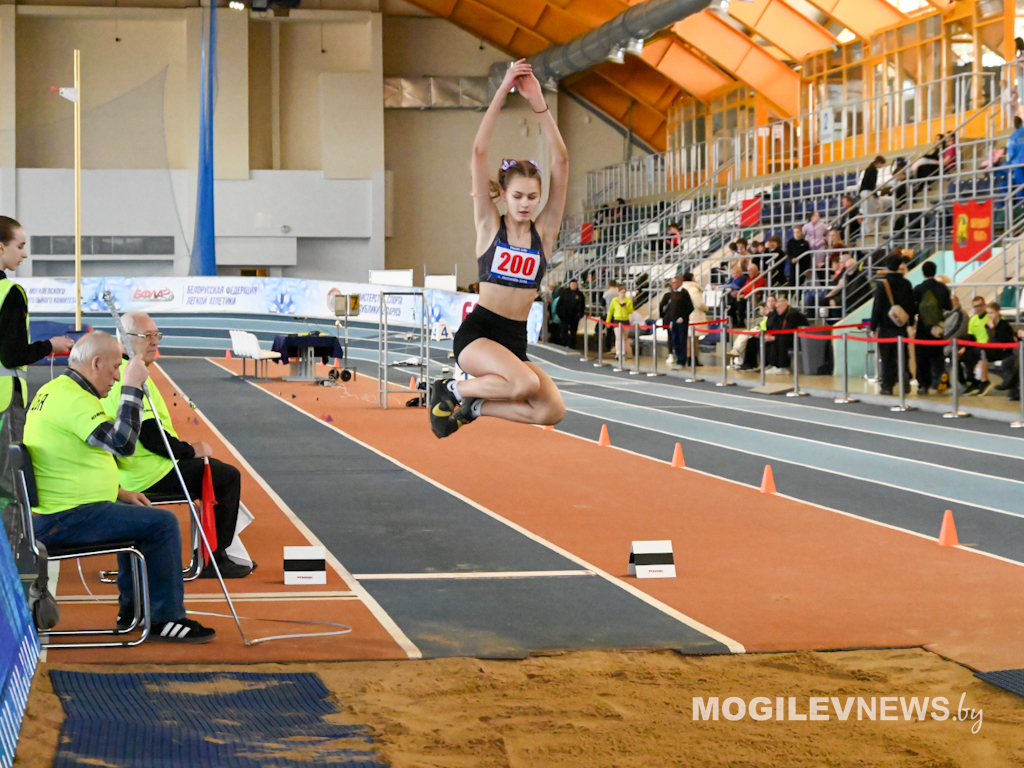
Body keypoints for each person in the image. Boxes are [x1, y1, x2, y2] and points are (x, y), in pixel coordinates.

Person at [23, 332, 216, 642]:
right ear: (96, 363)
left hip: (60, 511)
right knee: (163, 524)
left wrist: (118, 492)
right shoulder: (73, 399)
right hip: (67, 517)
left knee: (133, 513)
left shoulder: (56, 390)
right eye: (114, 368)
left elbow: (64, 457)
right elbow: (123, 444)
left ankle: (133, 610)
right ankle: (167, 619)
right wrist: (132, 387)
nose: (116, 376)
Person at [429, 59, 568, 438]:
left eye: (533, 197)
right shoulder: (491, 225)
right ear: (503, 195)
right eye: (518, 195)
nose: (525, 203)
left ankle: (474, 407)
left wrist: (539, 103)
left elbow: (561, 161)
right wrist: (503, 89)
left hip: (514, 338)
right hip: (479, 335)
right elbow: (478, 152)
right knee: (523, 385)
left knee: (551, 409)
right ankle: (452, 388)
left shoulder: (545, 233)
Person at [101, 312, 253, 578]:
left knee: (214, 472)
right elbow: (150, 436)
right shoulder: (130, 375)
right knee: (227, 477)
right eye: (147, 336)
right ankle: (212, 559)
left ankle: (213, 553)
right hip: (148, 473)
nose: (155, 341)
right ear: (124, 341)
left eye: (156, 335)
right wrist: (191, 450)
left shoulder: (120, 372)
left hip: (136, 470)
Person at [0, 217, 76, 573]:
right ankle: (13, 562)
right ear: (0, 247)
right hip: (3, 403)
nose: (25, 254)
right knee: (10, 486)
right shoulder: (9, 293)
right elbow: (12, 356)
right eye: (19, 246)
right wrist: (51, 345)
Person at [870, 253, 917, 395]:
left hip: (885, 326)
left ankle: (887, 385)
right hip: (901, 325)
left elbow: (877, 307)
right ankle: (905, 381)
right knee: (902, 356)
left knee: (887, 357)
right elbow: (911, 306)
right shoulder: (906, 283)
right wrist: (911, 323)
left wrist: (873, 326)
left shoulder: (882, 284)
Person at [911, 261, 952, 396]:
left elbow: (913, 309)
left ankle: (923, 384)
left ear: (923, 273)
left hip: (923, 328)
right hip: (937, 328)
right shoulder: (942, 288)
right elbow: (949, 306)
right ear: (935, 271)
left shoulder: (918, 289)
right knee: (937, 355)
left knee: (921, 357)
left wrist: (912, 322)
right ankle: (940, 380)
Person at [764, 295, 807, 374]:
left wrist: (774, 338)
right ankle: (773, 365)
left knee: (780, 341)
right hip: (786, 335)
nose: (776, 310)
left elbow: (788, 331)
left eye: (778, 307)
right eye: (776, 308)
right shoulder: (780, 314)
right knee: (769, 340)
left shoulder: (792, 315)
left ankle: (783, 366)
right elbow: (772, 325)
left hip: (797, 337)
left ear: (784, 306)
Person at [659, 276, 694, 369]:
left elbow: (690, 307)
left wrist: (683, 317)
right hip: (673, 321)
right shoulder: (672, 294)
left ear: (680, 282)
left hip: (681, 321)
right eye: (672, 283)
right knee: (675, 340)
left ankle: (682, 361)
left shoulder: (684, 293)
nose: (673, 285)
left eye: (675, 282)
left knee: (682, 340)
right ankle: (678, 359)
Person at [681, 272, 707, 366]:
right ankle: (693, 359)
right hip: (695, 316)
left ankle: (689, 358)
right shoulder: (693, 290)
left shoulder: (682, 289)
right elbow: (699, 303)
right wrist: (706, 309)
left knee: (689, 339)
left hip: (685, 316)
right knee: (693, 340)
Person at [555, 279, 585, 349]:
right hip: (564, 315)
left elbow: (582, 305)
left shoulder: (579, 294)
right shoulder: (565, 293)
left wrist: (580, 314)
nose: (573, 286)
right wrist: (560, 314)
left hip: (574, 316)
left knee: (573, 331)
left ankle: (572, 344)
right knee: (564, 330)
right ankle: (564, 344)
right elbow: (559, 304)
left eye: (575, 284)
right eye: (572, 284)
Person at [606, 286, 634, 359]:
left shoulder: (628, 301)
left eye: (624, 293)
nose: (623, 294)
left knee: (624, 338)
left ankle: (623, 352)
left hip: (625, 319)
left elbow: (631, 311)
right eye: (622, 292)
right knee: (618, 337)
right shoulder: (614, 300)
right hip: (617, 319)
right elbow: (610, 311)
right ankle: (618, 352)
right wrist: (608, 321)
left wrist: (626, 308)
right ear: (619, 292)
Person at [1007, 117, 1024, 193]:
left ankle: (1020, 202)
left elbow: (1011, 152)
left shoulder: (1013, 137)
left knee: (1020, 186)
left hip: (1017, 164)